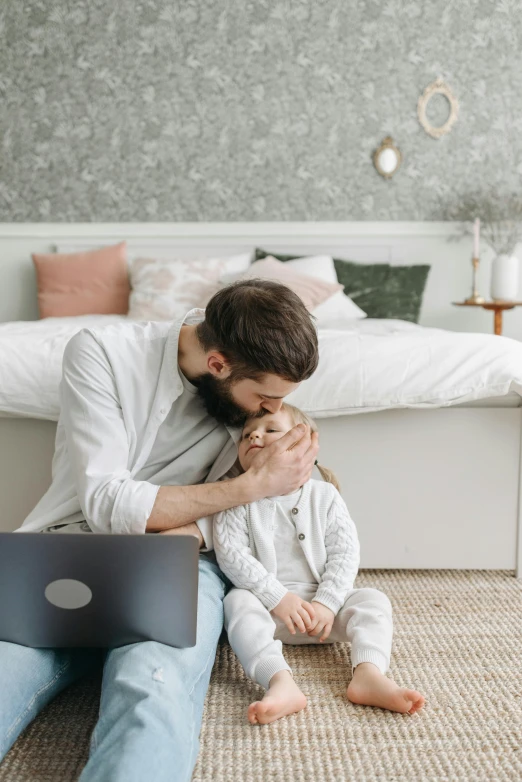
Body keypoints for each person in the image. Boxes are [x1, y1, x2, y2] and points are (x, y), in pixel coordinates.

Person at [0, 280, 319, 782]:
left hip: (183, 559)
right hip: (67, 548)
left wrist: (235, 504)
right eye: (265, 397)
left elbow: (284, 503)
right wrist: (251, 486)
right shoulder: (102, 353)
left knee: (151, 686)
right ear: (218, 364)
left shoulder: (259, 398)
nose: (271, 412)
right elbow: (106, 503)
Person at [214, 403, 425, 726]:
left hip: (324, 614)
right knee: (236, 601)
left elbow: (345, 553)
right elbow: (232, 555)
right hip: (271, 610)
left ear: (303, 446)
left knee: (372, 600)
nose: (254, 434)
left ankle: (368, 674)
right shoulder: (235, 497)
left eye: (270, 429)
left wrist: (327, 603)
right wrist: (278, 598)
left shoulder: (324, 495)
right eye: (246, 435)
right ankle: (279, 682)